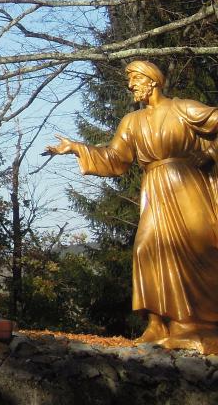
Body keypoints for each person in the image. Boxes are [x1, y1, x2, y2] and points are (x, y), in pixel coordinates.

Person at [47, 60, 218, 353]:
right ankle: (157, 321)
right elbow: (116, 159)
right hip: (155, 186)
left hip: (188, 186)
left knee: (193, 250)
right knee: (146, 247)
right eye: (130, 81)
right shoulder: (132, 122)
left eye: (136, 80)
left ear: (152, 81)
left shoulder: (183, 109)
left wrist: (211, 152)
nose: (131, 86)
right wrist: (76, 147)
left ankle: (194, 324)